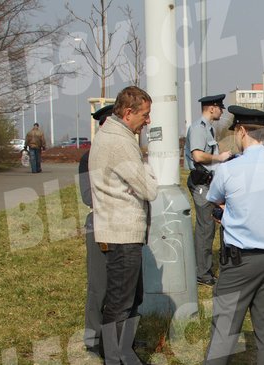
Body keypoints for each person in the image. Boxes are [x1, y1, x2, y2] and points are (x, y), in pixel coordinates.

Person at [204, 105, 264, 365]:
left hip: (240, 263)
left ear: (242, 131)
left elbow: (215, 199)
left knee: (224, 332)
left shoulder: (229, 169)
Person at [89, 86, 157, 364]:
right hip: (121, 233)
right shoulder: (120, 141)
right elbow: (149, 188)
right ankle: (114, 357)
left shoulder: (114, 135)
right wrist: (147, 173)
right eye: (146, 114)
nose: (148, 120)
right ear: (128, 113)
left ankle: (122, 352)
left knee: (130, 297)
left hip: (120, 231)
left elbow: (139, 186)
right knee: (121, 302)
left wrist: (139, 179)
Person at [184, 94, 232, 286]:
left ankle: (213, 267)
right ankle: (202, 274)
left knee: (216, 222)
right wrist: (220, 158)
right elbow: (197, 156)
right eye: (220, 107)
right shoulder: (198, 128)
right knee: (206, 227)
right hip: (201, 183)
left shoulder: (209, 128)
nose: (222, 110)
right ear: (212, 108)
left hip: (210, 182)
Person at [78, 104, 113, 358]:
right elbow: (89, 197)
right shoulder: (87, 158)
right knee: (99, 287)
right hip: (99, 227)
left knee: (123, 289)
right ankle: (93, 339)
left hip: (126, 229)